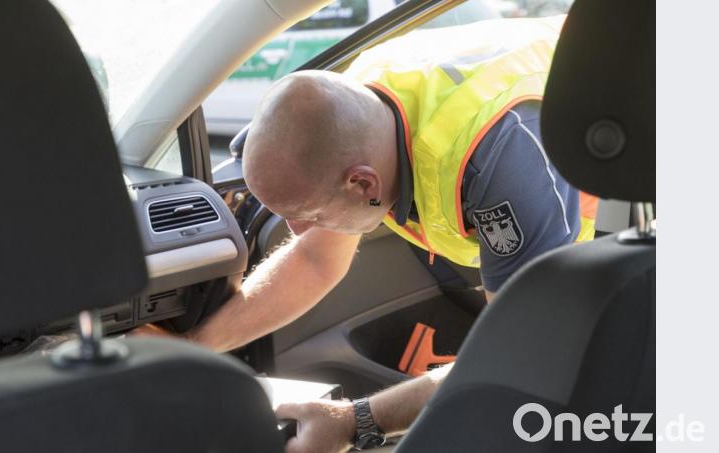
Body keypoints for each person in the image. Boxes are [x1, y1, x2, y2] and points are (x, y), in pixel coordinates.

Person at [136, 16, 597, 452]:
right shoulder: (363, 109)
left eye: (309, 214)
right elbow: (316, 261)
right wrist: (191, 351)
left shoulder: (503, 163)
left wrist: (353, 421)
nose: (296, 231)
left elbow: (517, 356)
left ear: (362, 183)